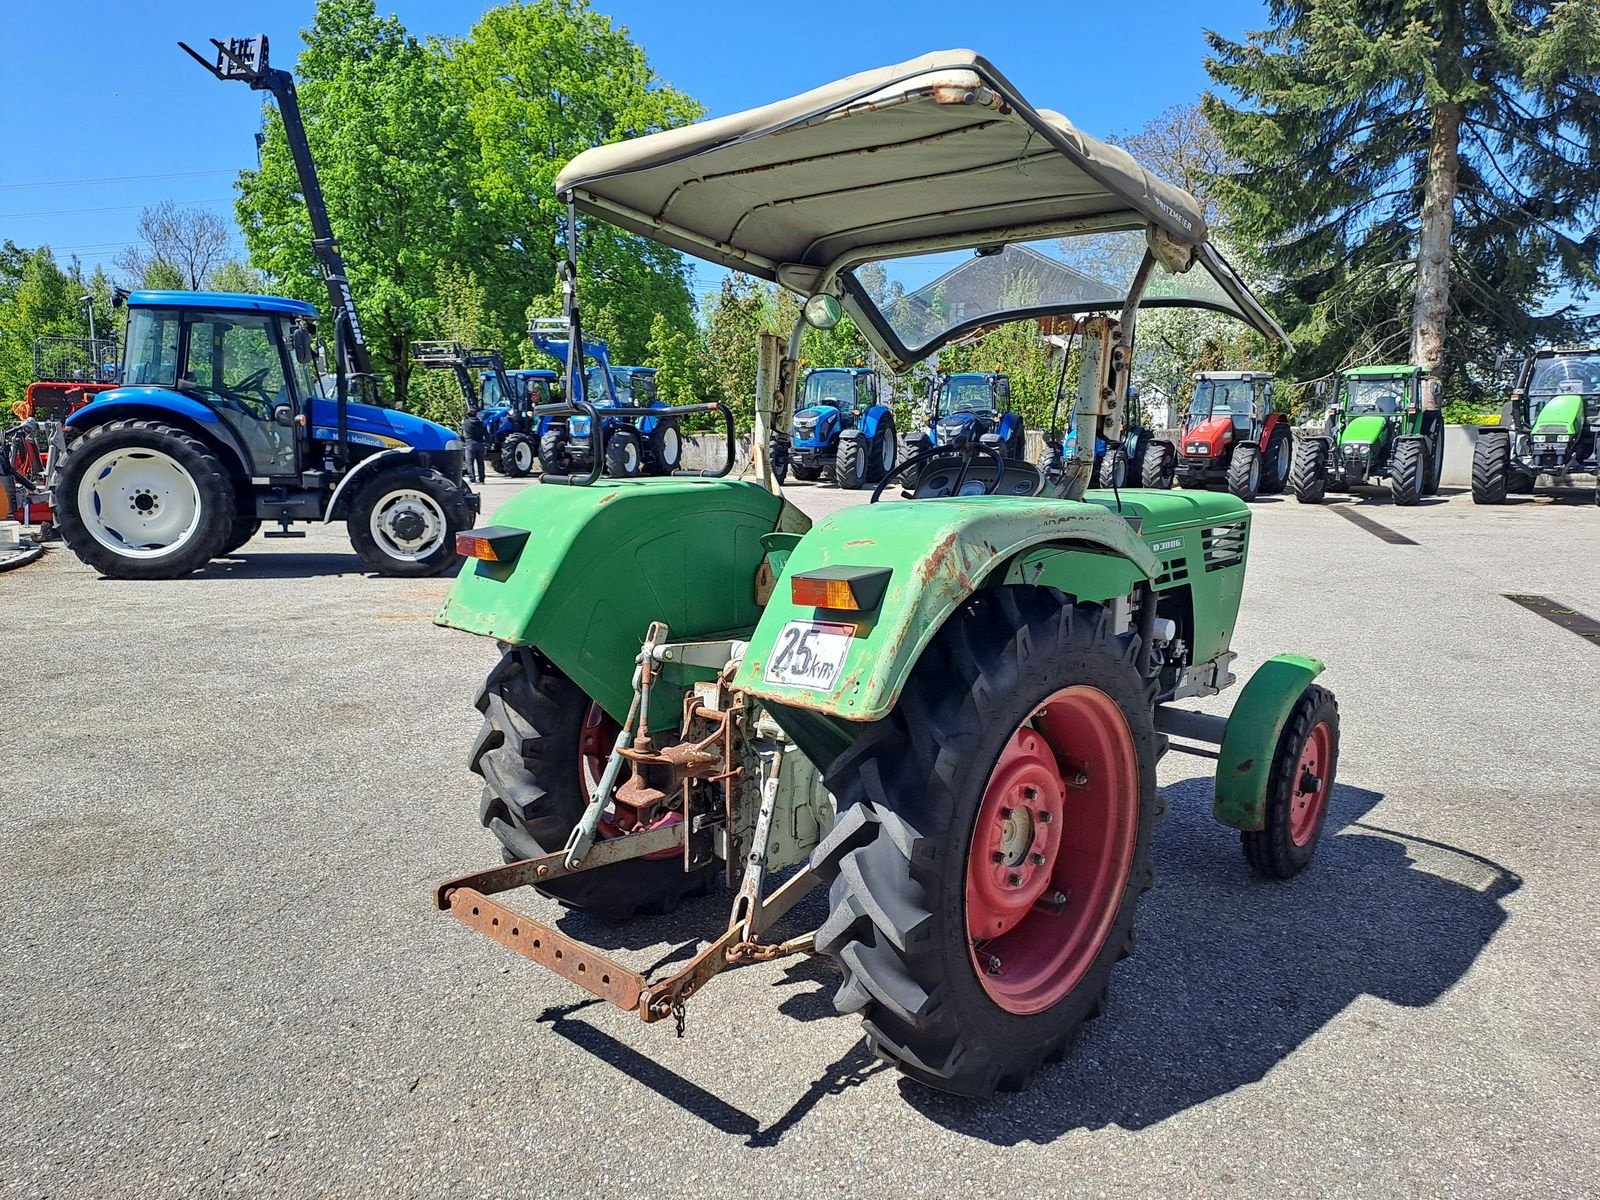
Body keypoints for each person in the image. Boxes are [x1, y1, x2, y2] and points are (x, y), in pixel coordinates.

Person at [463, 408, 487, 483]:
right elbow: (486, 433)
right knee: (480, 463)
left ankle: (472, 479)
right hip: (480, 444)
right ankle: (481, 479)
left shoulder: (466, 423)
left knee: (469, 463)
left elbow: (462, 433)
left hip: (470, 444)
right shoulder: (481, 423)